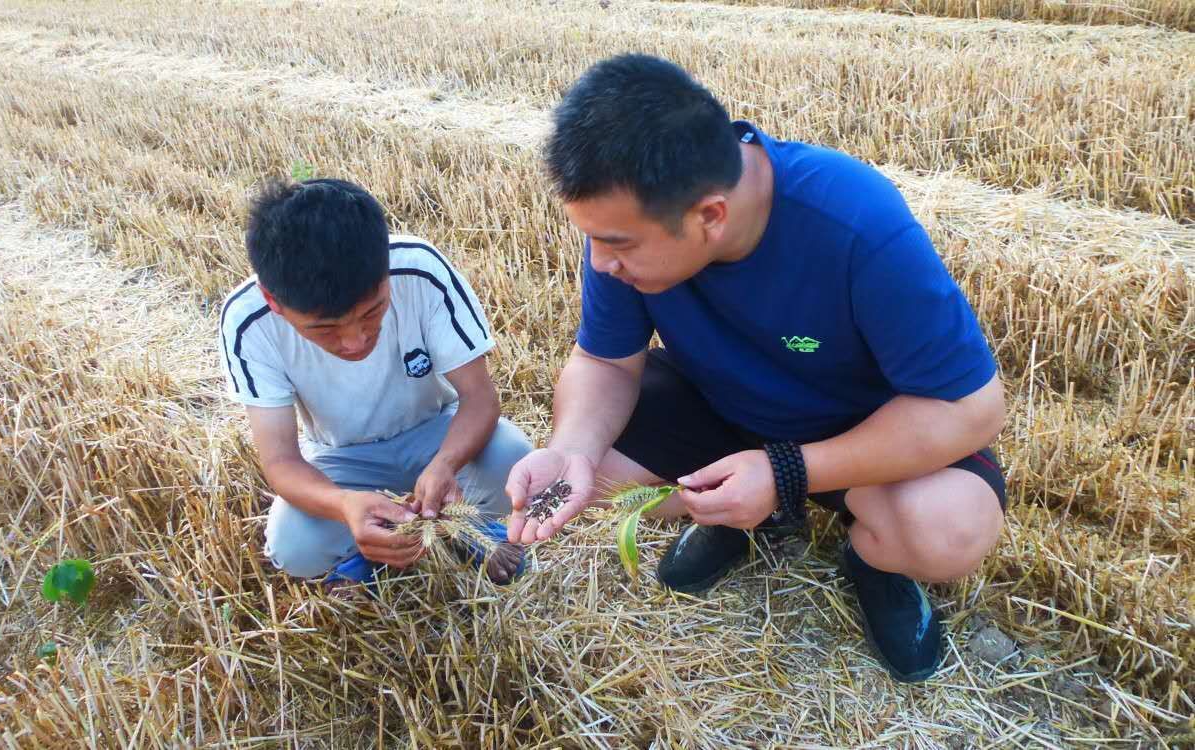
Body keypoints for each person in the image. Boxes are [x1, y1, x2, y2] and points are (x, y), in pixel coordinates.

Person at [506, 54, 1006, 682]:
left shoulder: (854, 220)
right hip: (725, 408)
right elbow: (604, 359)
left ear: (710, 216)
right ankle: (745, 514)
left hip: (863, 434)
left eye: (618, 244)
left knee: (948, 529)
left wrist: (789, 470)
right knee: (596, 469)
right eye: (594, 239)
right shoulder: (630, 220)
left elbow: (973, 407)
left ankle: (874, 561)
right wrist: (572, 448)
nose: (602, 262)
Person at [220, 178, 531, 592]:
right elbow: (281, 462)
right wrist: (345, 505)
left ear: (386, 270)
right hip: (341, 456)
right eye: (324, 329)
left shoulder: (420, 269)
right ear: (274, 302)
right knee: (294, 547)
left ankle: (458, 531)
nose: (355, 341)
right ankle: (367, 552)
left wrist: (444, 465)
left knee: (513, 460)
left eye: (373, 312)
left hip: (434, 429)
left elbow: (479, 399)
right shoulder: (247, 322)